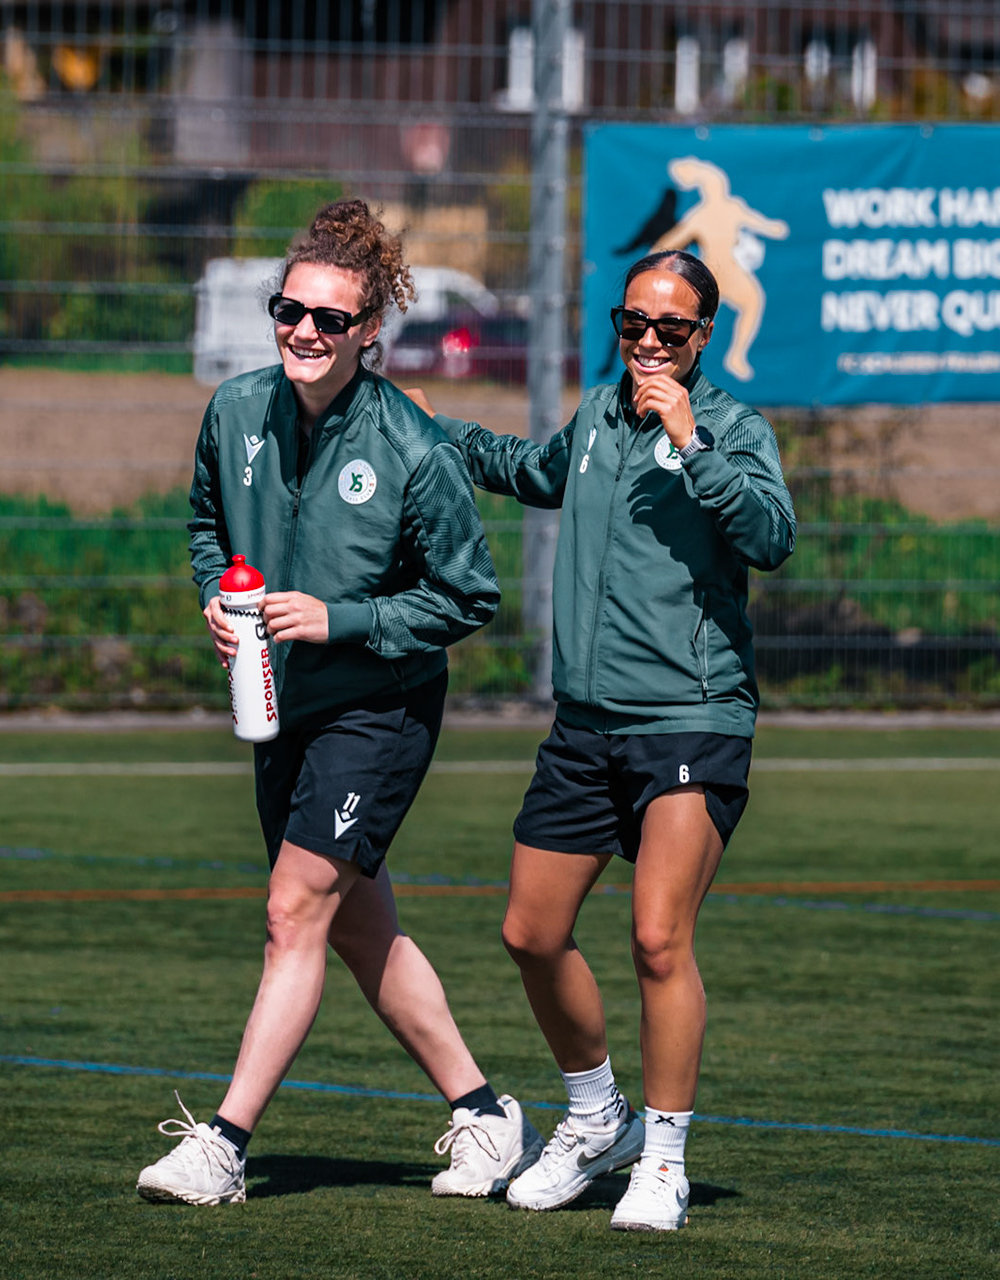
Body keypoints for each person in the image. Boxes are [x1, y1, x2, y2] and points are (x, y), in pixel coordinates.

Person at [136, 200, 540, 1206]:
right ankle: (486, 1112)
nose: (304, 331)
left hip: (382, 708)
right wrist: (214, 602)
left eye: (329, 317)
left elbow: (468, 594)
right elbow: (203, 523)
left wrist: (340, 619)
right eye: (290, 310)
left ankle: (222, 1143)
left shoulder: (414, 446)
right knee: (355, 926)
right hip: (279, 705)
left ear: (371, 332)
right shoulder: (233, 411)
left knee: (293, 907)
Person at [417, 249, 795, 1231]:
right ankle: (598, 1118)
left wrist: (694, 441)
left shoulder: (735, 426)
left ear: (704, 336)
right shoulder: (594, 416)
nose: (650, 343)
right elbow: (527, 468)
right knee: (530, 932)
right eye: (635, 324)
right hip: (585, 724)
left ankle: (663, 1160)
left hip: (691, 719)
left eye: (672, 329)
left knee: (658, 935)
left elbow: (770, 532)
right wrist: (422, 425)